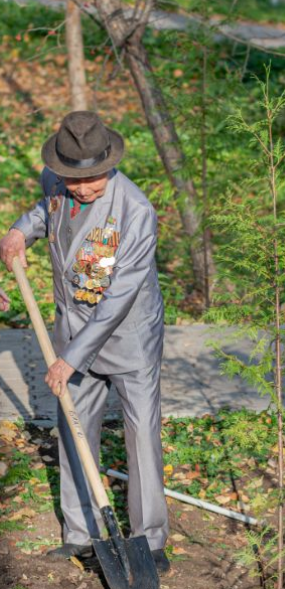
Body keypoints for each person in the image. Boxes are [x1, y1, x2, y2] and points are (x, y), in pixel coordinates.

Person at [0, 111, 170, 573]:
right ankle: (79, 533)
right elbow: (44, 214)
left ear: (110, 164)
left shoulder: (135, 211)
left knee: (141, 436)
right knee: (74, 429)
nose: (83, 187)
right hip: (71, 331)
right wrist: (19, 230)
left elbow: (116, 299)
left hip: (128, 336)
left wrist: (68, 360)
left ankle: (150, 540)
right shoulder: (57, 181)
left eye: (93, 178)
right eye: (74, 178)